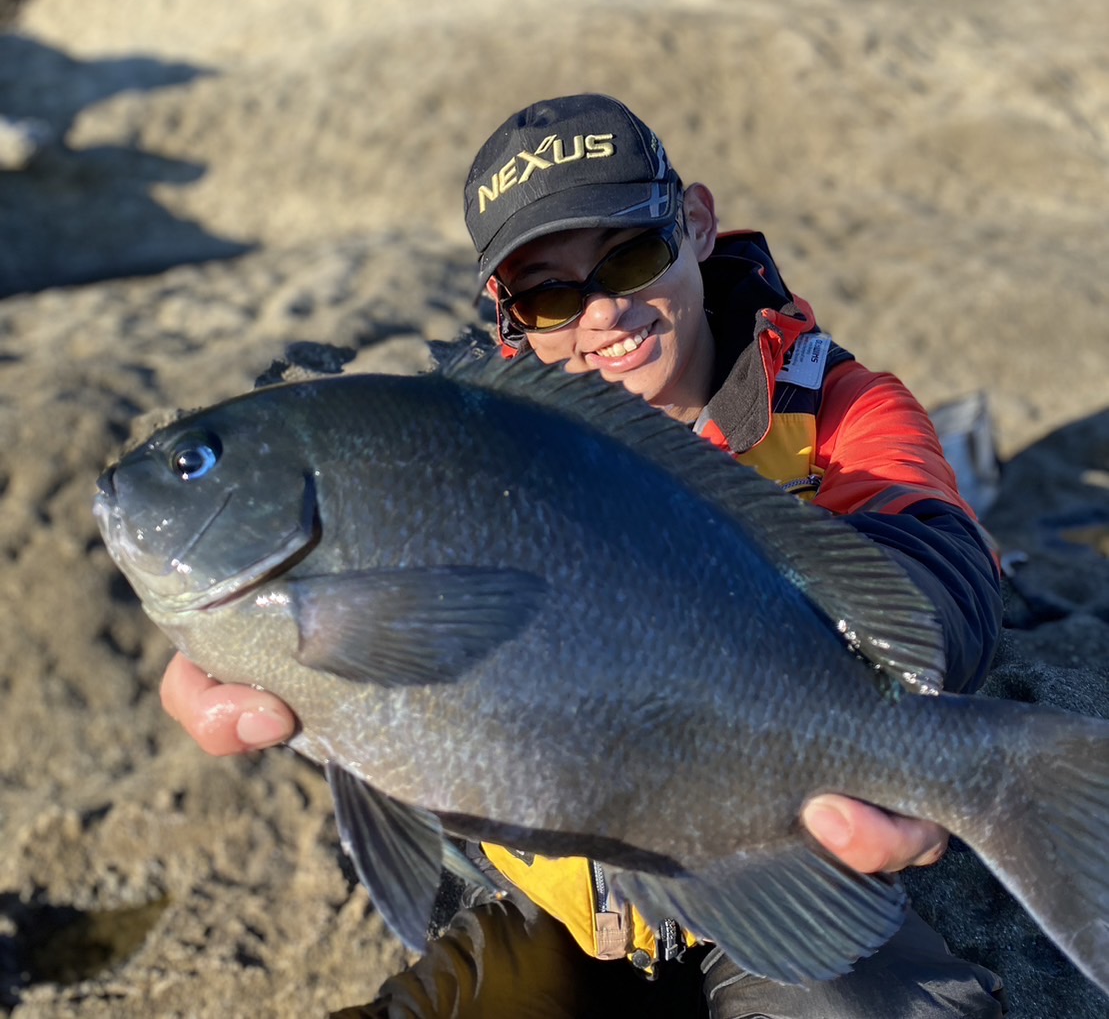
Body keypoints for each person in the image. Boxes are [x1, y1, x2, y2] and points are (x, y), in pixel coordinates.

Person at [161, 94, 1007, 1017]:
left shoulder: (842, 407)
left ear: (693, 221)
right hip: (551, 904)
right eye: (550, 293)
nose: (603, 314)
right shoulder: (473, 448)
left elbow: (943, 573)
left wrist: (862, 670)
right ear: (506, 313)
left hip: (777, 871)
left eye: (631, 257)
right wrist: (244, 641)